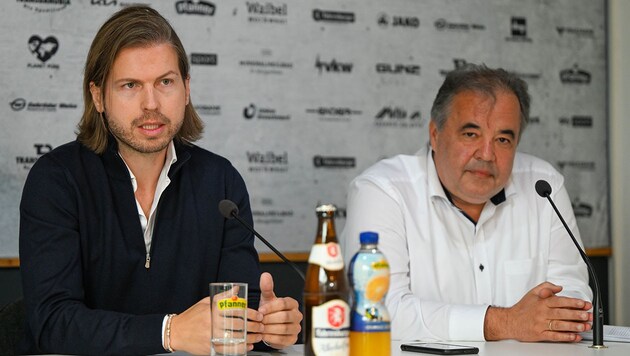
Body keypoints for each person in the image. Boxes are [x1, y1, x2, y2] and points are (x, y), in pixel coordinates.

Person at [19, 6, 302, 355]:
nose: (151, 103)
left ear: (185, 88)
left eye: (165, 82)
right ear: (98, 96)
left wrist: (270, 326)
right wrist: (168, 331)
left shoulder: (221, 182)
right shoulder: (57, 180)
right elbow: (52, 323)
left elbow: (239, 313)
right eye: (130, 86)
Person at [341, 63, 593, 343]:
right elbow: (378, 311)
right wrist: (505, 323)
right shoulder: (383, 191)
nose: (486, 154)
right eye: (471, 134)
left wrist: (556, 316)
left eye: (502, 139)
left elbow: (572, 292)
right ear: (435, 135)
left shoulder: (544, 186)